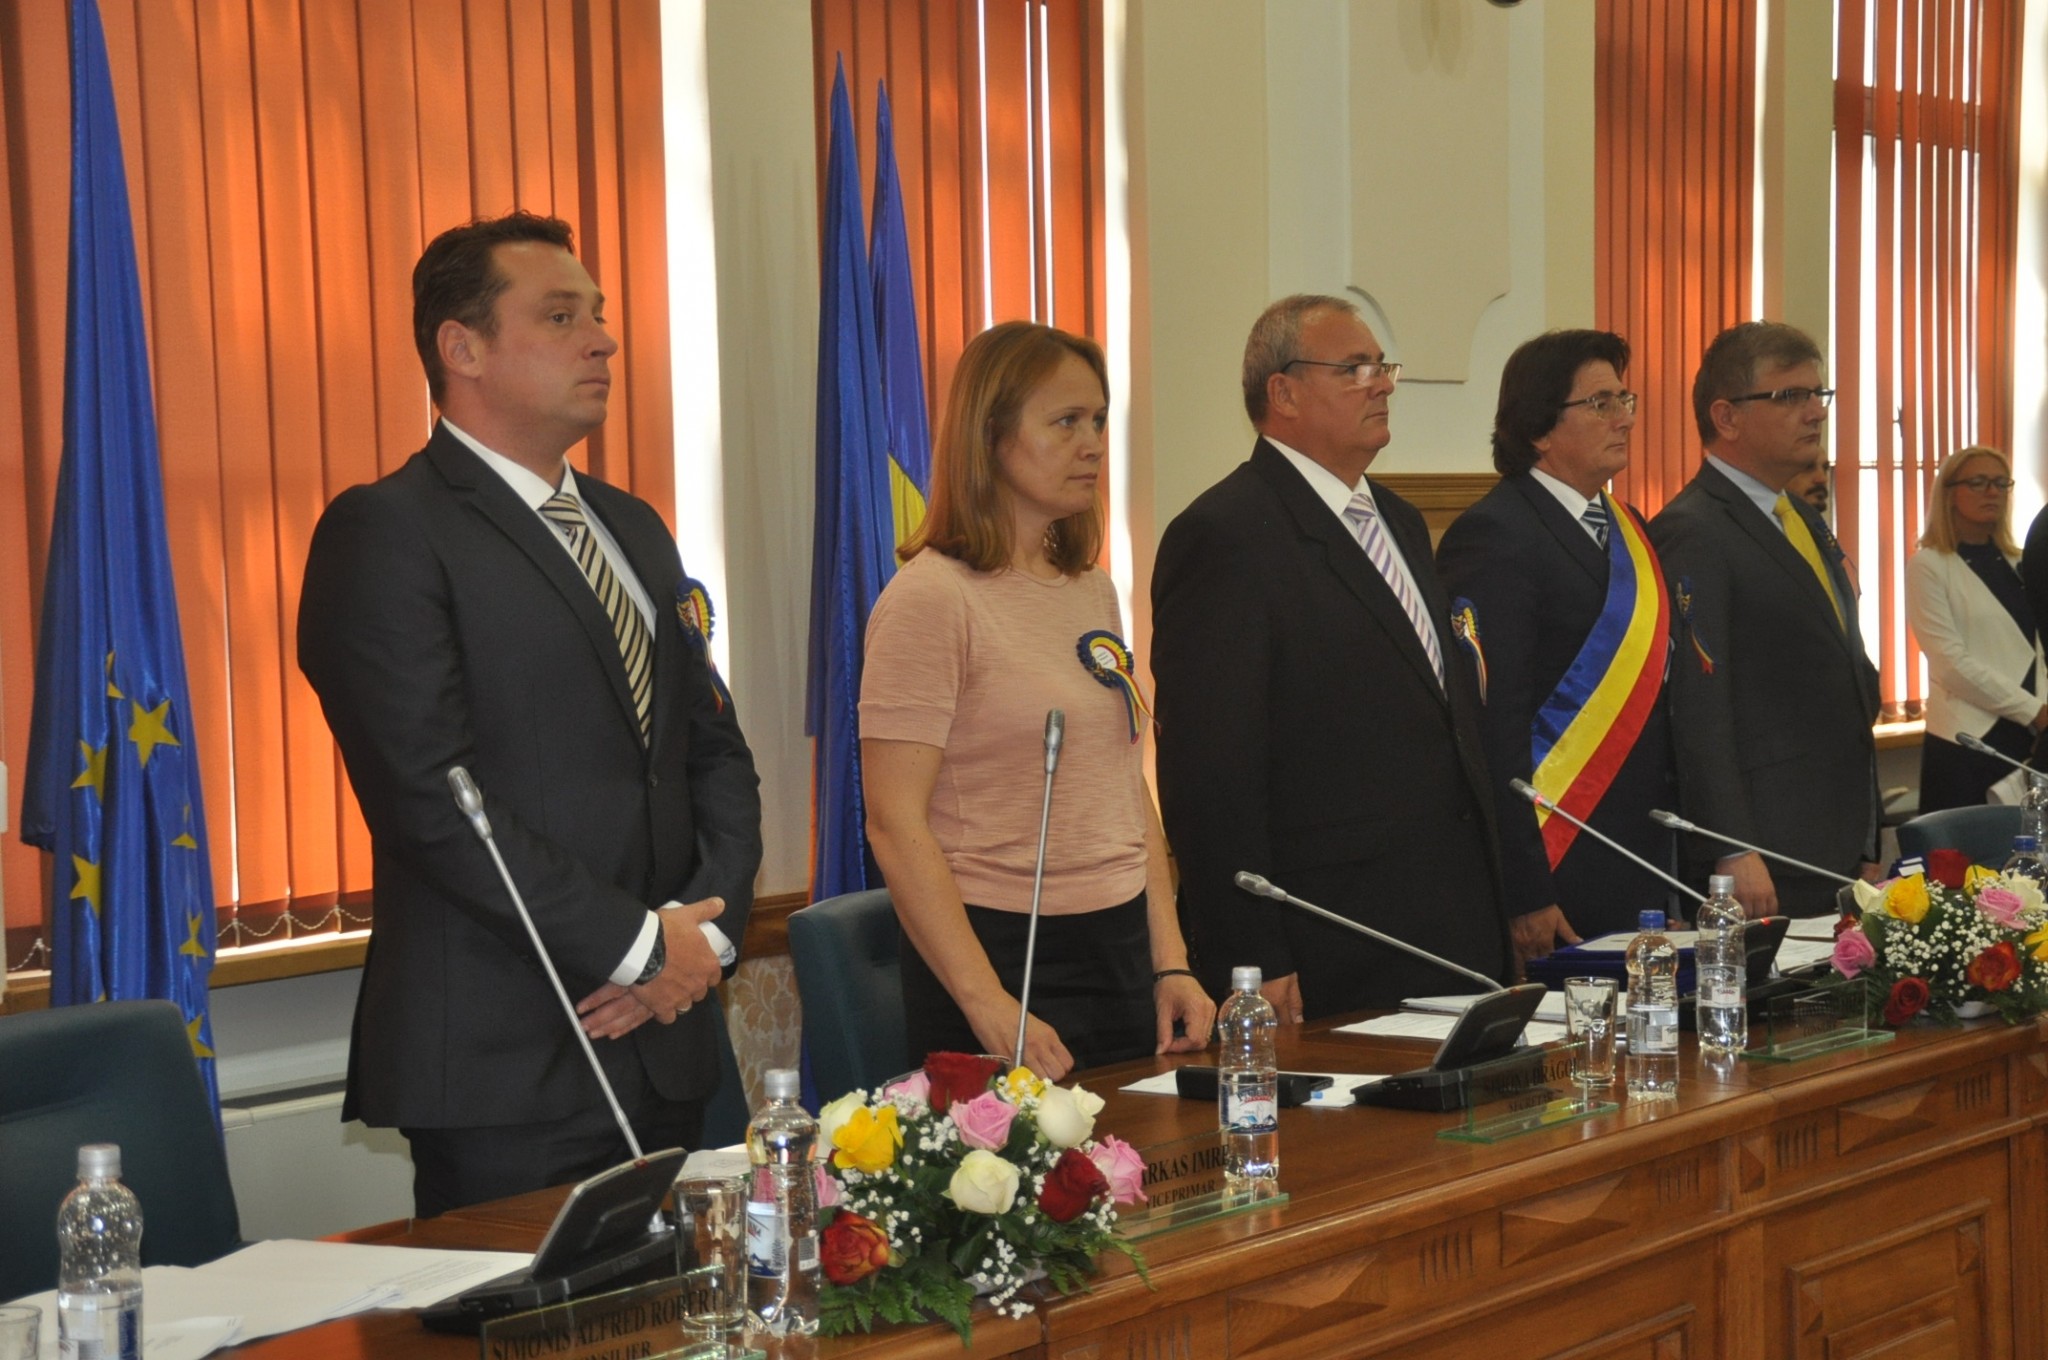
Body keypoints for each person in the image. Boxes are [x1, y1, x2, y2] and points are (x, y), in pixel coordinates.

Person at [298, 212, 761, 1217]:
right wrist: (641, 947)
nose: (603, 339)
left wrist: (699, 945)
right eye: (560, 317)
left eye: (598, 314)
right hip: (507, 1060)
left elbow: (713, 754)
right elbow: (432, 800)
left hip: (668, 1033)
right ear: (461, 348)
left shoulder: (633, 526)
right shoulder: (388, 532)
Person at [859, 322, 1214, 1082]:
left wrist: (1170, 961)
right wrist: (985, 1000)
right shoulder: (930, 599)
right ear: (990, 437)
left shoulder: (1092, 590)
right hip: (997, 953)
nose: (1093, 445)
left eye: (1099, 421)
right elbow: (893, 820)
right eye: (1065, 422)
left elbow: (1123, 785)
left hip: (1119, 945)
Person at [1151, 295, 1512, 1023]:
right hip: (1330, 936)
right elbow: (1211, 774)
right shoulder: (1224, 535)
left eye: (1381, 367)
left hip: (1454, 921)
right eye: (1353, 369)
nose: (1381, 385)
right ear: (1282, 393)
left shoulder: (1399, 520)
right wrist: (1251, 953)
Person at [1436, 330, 1677, 959]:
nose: (1625, 418)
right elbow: (1493, 727)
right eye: (1600, 403)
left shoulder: (1629, 527)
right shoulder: (1494, 533)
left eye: (1625, 399)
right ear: (1540, 429)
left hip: (1643, 850)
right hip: (1559, 860)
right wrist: (1524, 889)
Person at [1649, 321, 1880, 918]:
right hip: (1764, 849)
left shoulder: (1799, 516)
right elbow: (1698, 709)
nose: (1815, 412)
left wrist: (1868, 835)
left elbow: (1845, 672)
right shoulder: (1694, 529)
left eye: (1818, 394)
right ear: (1727, 417)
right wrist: (1729, 846)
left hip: (1833, 836)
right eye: (1790, 396)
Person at [1904, 446, 2047, 811]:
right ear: (1949, 493)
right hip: (1970, 739)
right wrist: (2033, 710)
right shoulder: (1929, 565)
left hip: (2030, 735)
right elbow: (1950, 663)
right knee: (1967, 845)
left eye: (2001, 483)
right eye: (1979, 482)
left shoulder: (2021, 560)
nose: (1993, 492)